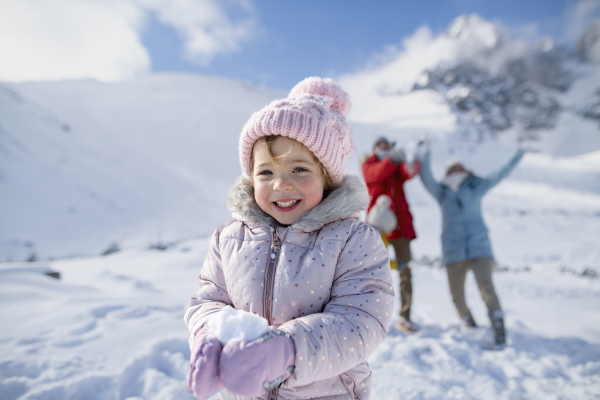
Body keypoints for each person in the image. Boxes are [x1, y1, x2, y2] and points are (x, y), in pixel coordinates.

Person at [184, 77, 394, 400]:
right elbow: (207, 300)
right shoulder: (229, 239)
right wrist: (210, 335)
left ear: (326, 177)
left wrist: (285, 352)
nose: (281, 185)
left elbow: (361, 321)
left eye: (299, 170)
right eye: (266, 172)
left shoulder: (353, 241)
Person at [419, 142, 524, 346]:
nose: (456, 169)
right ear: (447, 172)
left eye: (459, 166)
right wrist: (426, 153)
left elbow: (499, 173)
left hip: (479, 246)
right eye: (452, 167)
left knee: (487, 288)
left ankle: (498, 327)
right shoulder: (441, 192)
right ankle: (470, 326)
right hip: (452, 250)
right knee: (456, 296)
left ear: (465, 169)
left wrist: (518, 154)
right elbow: (426, 178)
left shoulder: (476, 186)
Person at [361, 137, 420, 333]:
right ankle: (371, 314)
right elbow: (374, 175)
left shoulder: (397, 165)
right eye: (380, 145)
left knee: (405, 272)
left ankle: (405, 316)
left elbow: (409, 173)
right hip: (378, 228)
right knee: (374, 271)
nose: (384, 148)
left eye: (387, 145)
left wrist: (414, 159)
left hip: (400, 227)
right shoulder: (369, 163)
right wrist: (392, 160)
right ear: (374, 148)